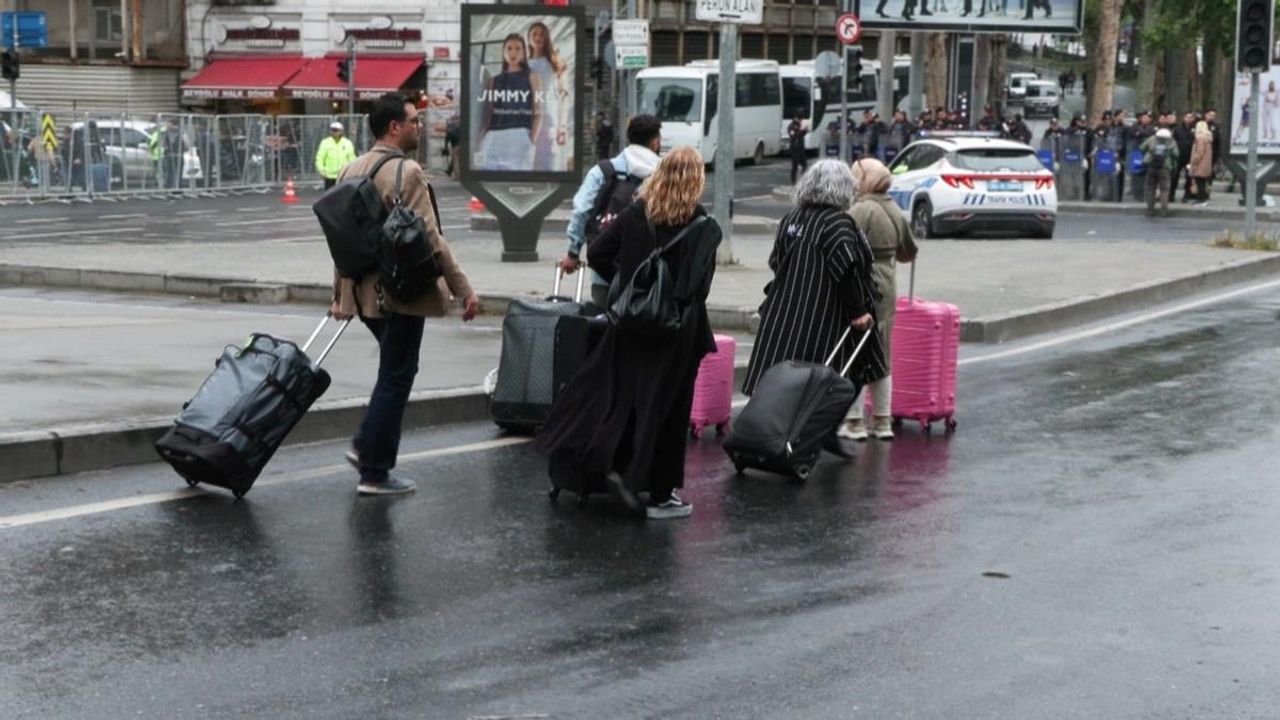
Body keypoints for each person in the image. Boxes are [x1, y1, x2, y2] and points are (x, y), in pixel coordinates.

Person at [537, 146, 723, 520]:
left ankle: (611, 467)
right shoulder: (701, 225)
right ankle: (660, 493)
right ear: (696, 183)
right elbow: (698, 289)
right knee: (669, 410)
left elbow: (599, 252)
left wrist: (628, 282)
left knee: (626, 400)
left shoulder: (636, 213)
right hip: (676, 333)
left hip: (630, 324)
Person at [330, 93, 480, 496]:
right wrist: (463, 289)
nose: (418, 127)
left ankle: (367, 444)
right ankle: (374, 469)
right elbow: (431, 240)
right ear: (394, 127)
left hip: (364, 296)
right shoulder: (408, 172)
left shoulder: (351, 168)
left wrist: (340, 297)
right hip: (401, 292)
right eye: (413, 121)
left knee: (395, 370)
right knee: (398, 375)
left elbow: (341, 240)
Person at [742, 159, 887, 419]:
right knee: (835, 370)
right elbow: (846, 271)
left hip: (784, 310)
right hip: (822, 314)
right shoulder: (838, 223)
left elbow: (776, 260)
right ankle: (817, 429)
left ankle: (775, 421)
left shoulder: (791, 219)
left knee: (782, 368)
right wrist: (858, 312)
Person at [842, 158, 917, 441]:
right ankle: (882, 420)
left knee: (855, 353)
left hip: (864, 282)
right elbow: (908, 252)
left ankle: (853, 422)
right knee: (881, 353)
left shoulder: (860, 211)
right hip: (889, 283)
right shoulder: (895, 210)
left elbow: (843, 244)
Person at [560, 114, 662, 309]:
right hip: (649, 274)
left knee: (604, 325)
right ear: (655, 142)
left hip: (605, 272)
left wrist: (573, 252)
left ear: (629, 137)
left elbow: (582, 210)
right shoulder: (663, 176)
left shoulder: (603, 171)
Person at [477, 33, 542, 171]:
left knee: (519, 182)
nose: (513, 53)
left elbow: (538, 110)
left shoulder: (532, 76)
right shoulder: (493, 80)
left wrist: (531, 140)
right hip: (494, 137)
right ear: (503, 51)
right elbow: (487, 113)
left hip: (520, 135)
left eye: (518, 48)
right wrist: (481, 138)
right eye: (509, 48)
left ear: (524, 52)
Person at [528, 22, 569, 172]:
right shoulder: (523, 64)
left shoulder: (555, 63)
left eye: (542, 34)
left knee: (549, 168)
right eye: (534, 34)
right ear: (529, 39)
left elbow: (563, 96)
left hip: (549, 124)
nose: (538, 37)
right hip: (527, 125)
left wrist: (563, 126)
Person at [1140, 127, 1178, 218]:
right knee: (1164, 190)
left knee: (1150, 189)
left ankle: (1150, 210)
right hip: (1164, 167)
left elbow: (1141, 148)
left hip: (1151, 166)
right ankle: (1164, 211)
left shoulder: (1152, 139)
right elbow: (1176, 154)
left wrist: (1149, 152)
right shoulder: (1171, 141)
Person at [315, 121, 357, 190]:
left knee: (343, 196)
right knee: (330, 197)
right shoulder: (325, 142)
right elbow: (320, 158)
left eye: (336, 130)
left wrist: (352, 171)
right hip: (329, 176)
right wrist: (321, 170)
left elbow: (352, 158)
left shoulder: (347, 143)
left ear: (341, 131)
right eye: (333, 130)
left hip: (343, 175)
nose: (334, 132)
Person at [1188, 120, 1214, 204]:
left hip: (1200, 164)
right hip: (1205, 164)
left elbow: (1199, 152)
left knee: (1199, 182)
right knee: (1202, 182)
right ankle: (1202, 198)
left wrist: (1194, 163)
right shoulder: (1208, 137)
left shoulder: (1200, 138)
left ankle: (1200, 199)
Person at [1172, 112, 1196, 203]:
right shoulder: (1178, 129)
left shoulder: (1195, 129)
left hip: (1190, 157)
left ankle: (1187, 195)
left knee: (1189, 177)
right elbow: (1173, 141)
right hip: (1178, 156)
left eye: (1191, 117)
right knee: (1174, 176)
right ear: (1184, 118)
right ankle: (1171, 194)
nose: (1189, 119)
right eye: (1187, 117)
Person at [787, 113, 808, 184]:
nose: (801, 121)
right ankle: (793, 182)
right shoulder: (791, 126)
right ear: (796, 118)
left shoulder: (799, 125)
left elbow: (801, 134)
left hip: (801, 148)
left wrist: (805, 130)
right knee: (795, 166)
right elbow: (793, 135)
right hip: (795, 148)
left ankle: (803, 181)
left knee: (804, 164)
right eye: (800, 119)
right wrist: (801, 131)